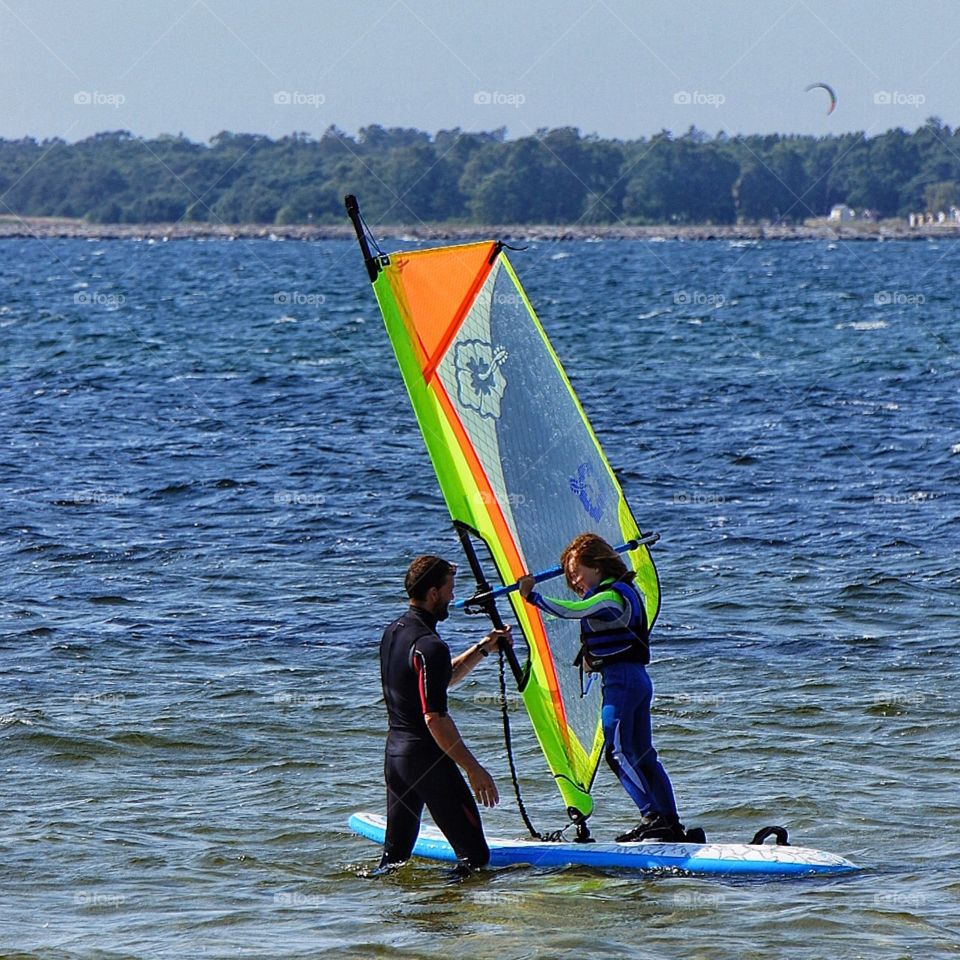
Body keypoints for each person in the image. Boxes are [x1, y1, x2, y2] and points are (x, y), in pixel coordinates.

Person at [518, 533, 688, 843]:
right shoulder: (623, 592)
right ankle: (671, 824)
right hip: (632, 680)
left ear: (597, 565)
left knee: (617, 752)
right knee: (642, 755)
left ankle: (653, 817)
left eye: (576, 573)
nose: (574, 582)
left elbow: (571, 611)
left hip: (623, 682)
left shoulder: (610, 597)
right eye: (569, 577)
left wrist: (532, 597)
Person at [378, 554, 512, 874]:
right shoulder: (431, 645)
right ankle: (443, 915)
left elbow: (438, 680)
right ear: (434, 593)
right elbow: (434, 717)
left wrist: (483, 648)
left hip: (397, 758)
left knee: (394, 859)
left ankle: (387, 912)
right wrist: (473, 768)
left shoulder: (393, 632)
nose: (453, 596)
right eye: (450, 589)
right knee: (475, 859)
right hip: (427, 761)